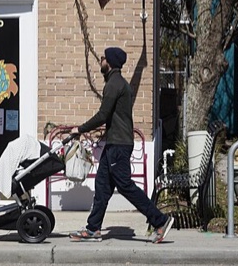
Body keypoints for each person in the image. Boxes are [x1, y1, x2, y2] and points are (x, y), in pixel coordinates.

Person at [69, 47, 174, 243]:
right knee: (102, 186)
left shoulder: (114, 84)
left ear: (109, 62)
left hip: (119, 145)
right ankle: (93, 229)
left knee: (125, 186)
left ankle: (160, 220)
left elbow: (103, 115)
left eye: (102, 58)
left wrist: (80, 129)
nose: (100, 61)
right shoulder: (118, 83)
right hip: (115, 144)